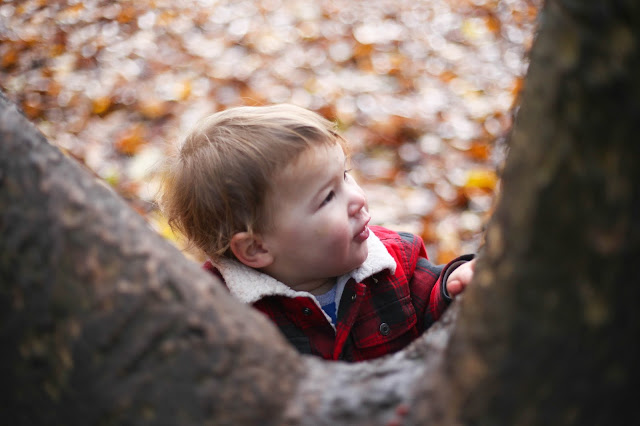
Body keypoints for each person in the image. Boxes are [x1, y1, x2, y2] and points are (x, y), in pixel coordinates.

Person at [158, 104, 476, 362]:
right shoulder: (221, 316)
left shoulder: (395, 262)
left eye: (346, 176)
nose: (358, 199)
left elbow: (432, 317)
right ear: (255, 248)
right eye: (327, 197)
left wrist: (451, 289)